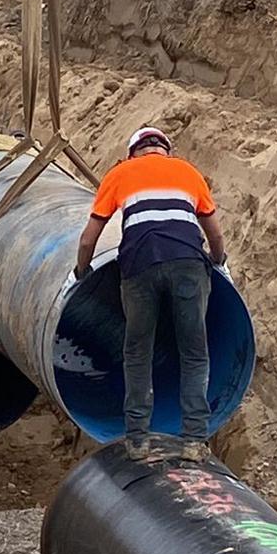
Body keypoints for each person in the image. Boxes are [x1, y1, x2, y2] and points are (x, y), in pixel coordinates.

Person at [73, 127, 229, 441]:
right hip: (188, 266)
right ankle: (195, 440)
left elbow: (90, 237)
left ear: (132, 153)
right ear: (165, 152)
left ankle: (137, 438)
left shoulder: (120, 173)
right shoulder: (187, 171)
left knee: (138, 352)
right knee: (194, 353)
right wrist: (218, 260)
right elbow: (215, 234)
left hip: (138, 268)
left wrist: (80, 271)